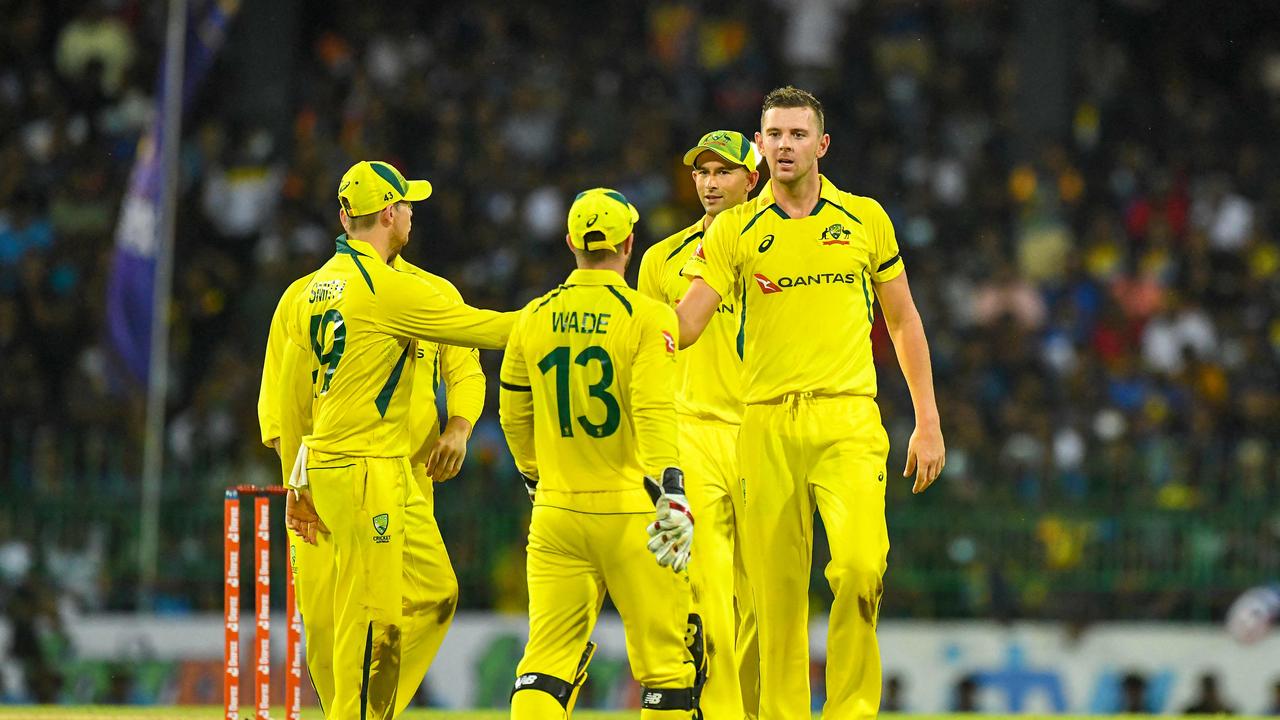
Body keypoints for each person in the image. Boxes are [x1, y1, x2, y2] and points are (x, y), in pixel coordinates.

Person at [676, 86, 946, 718]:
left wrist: (928, 421)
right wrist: (627, 321)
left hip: (847, 417)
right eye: (774, 134)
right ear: (760, 145)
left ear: (822, 145)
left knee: (858, 567)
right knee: (775, 600)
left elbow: (903, 321)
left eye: (798, 134)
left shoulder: (864, 219)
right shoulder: (735, 231)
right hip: (764, 424)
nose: (785, 145)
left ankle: (850, 709)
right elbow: (686, 323)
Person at [280, 160, 514, 719]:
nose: (411, 214)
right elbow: (486, 328)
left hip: (349, 468)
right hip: (366, 470)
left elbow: (292, 398)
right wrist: (566, 311)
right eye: (407, 205)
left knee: (414, 600)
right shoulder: (390, 291)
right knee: (367, 618)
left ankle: (362, 710)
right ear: (389, 213)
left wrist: (298, 478)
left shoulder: (308, 293)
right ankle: (354, 712)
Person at [499, 188, 699, 719]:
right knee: (666, 670)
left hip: (557, 511)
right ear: (630, 242)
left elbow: (513, 416)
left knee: (545, 663)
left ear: (570, 243)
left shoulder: (532, 317)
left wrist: (535, 479)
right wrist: (672, 492)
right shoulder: (648, 315)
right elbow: (655, 410)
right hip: (635, 510)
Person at [637, 129, 759, 720]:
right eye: (702, 173)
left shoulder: (780, 250)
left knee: (763, 599)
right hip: (693, 431)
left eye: (723, 172)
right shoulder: (661, 260)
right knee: (708, 593)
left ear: (751, 179)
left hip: (763, 431)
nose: (710, 183)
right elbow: (647, 363)